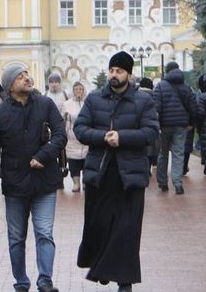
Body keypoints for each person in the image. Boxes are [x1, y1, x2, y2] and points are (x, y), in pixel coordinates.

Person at [74, 51, 159, 292]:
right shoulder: (94, 99)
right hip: (100, 173)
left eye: (119, 71)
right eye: (111, 70)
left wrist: (122, 138)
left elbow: (151, 132)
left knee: (127, 229)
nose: (114, 75)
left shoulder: (144, 101)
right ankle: (103, 266)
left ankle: (125, 282)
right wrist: (103, 137)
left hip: (129, 175)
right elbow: (80, 128)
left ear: (129, 75)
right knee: (99, 224)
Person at [0, 64, 66, 292]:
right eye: (20, 77)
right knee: (17, 237)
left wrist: (44, 155)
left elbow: (60, 135)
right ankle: (21, 281)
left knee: (44, 233)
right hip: (15, 185)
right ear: (10, 86)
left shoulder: (45, 105)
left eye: (27, 74)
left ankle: (45, 280)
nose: (27, 78)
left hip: (44, 182)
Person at [153, 61, 196, 194]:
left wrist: (157, 124)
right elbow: (193, 106)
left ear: (167, 71)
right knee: (178, 154)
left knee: (163, 154)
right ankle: (178, 184)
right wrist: (191, 123)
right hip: (181, 125)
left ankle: (163, 183)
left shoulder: (160, 86)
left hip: (164, 125)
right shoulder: (186, 87)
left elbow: (156, 107)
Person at [45, 72, 70, 189]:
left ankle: (62, 176)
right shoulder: (46, 94)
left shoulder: (65, 94)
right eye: (52, 82)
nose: (54, 84)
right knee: (50, 150)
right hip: (49, 127)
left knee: (62, 151)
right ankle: (52, 177)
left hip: (61, 125)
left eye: (56, 82)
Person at [62, 81, 89, 192]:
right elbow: (63, 119)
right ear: (73, 91)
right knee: (73, 162)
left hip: (86, 136)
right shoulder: (67, 104)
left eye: (81, 89)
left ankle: (85, 182)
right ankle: (76, 183)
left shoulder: (88, 103)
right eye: (76, 89)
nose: (79, 91)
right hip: (72, 136)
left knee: (87, 161)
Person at [136, 77, 159, 169]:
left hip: (137, 124)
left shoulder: (135, 94)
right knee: (152, 146)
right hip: (151, 123)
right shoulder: (154, 95)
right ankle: (149, 166)